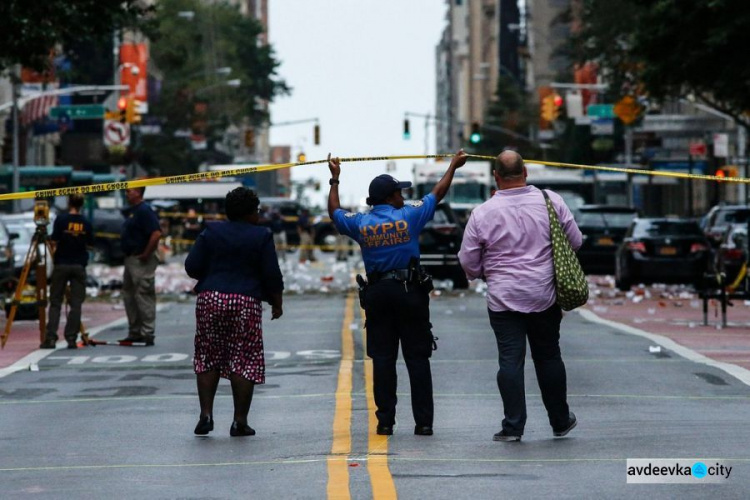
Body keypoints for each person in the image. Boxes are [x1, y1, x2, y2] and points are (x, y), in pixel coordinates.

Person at [327, 150, 468, 436]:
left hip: (378, 295)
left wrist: (334, 180)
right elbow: (437, 193)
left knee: (383, 360)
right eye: (399, 192)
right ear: (390, 197)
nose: (403, 195)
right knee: (417, 359)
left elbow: (334, 212)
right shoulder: (410, 216)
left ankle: (385, 421)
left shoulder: (361, 223)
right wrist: (453, 165)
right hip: (409, 293)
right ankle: (424, 423)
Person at [457, 150, 582, 442]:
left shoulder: (482, 213)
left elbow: (468, 262)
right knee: (549, 357)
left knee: (510, 361)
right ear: (525, 173)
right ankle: (560, 420)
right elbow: (575, 241)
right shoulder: (551, 201)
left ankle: (514, 426)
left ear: (495, 177)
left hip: (503, 298)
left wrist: (484, 272)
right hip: (544, 294)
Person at [185, 187, 284, 437]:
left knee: (208, 355)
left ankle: (205, 414)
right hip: (245, 301)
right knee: (244, 359)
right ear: (251, 213)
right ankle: (239, 421)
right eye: (257, 211)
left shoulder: (211, 231)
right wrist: (276, 302)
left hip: (210, 298)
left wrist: (213, 274)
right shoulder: (261, 235)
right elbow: (271, 274)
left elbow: (192, 266)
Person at [40, 194, 94, 349]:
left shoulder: (61, 220)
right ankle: (71, 338)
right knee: (76, 304)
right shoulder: (86, 223)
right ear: (82, 204)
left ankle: (51, 338)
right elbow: (90, 245)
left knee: (56, 301)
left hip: (62, 264)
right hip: (79, 266)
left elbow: (54, 239)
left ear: (69, 202)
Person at [120, 186, 162, 346]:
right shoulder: (133, 211)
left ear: (138, 192)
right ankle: (135, 331)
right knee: (129, 295)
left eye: (129, 191)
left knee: (143, 294)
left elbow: (156, 233)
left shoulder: (144, 210)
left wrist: (146, 253)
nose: (126, 194)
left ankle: (147, 332)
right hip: (131, 258)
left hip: (140, 259)